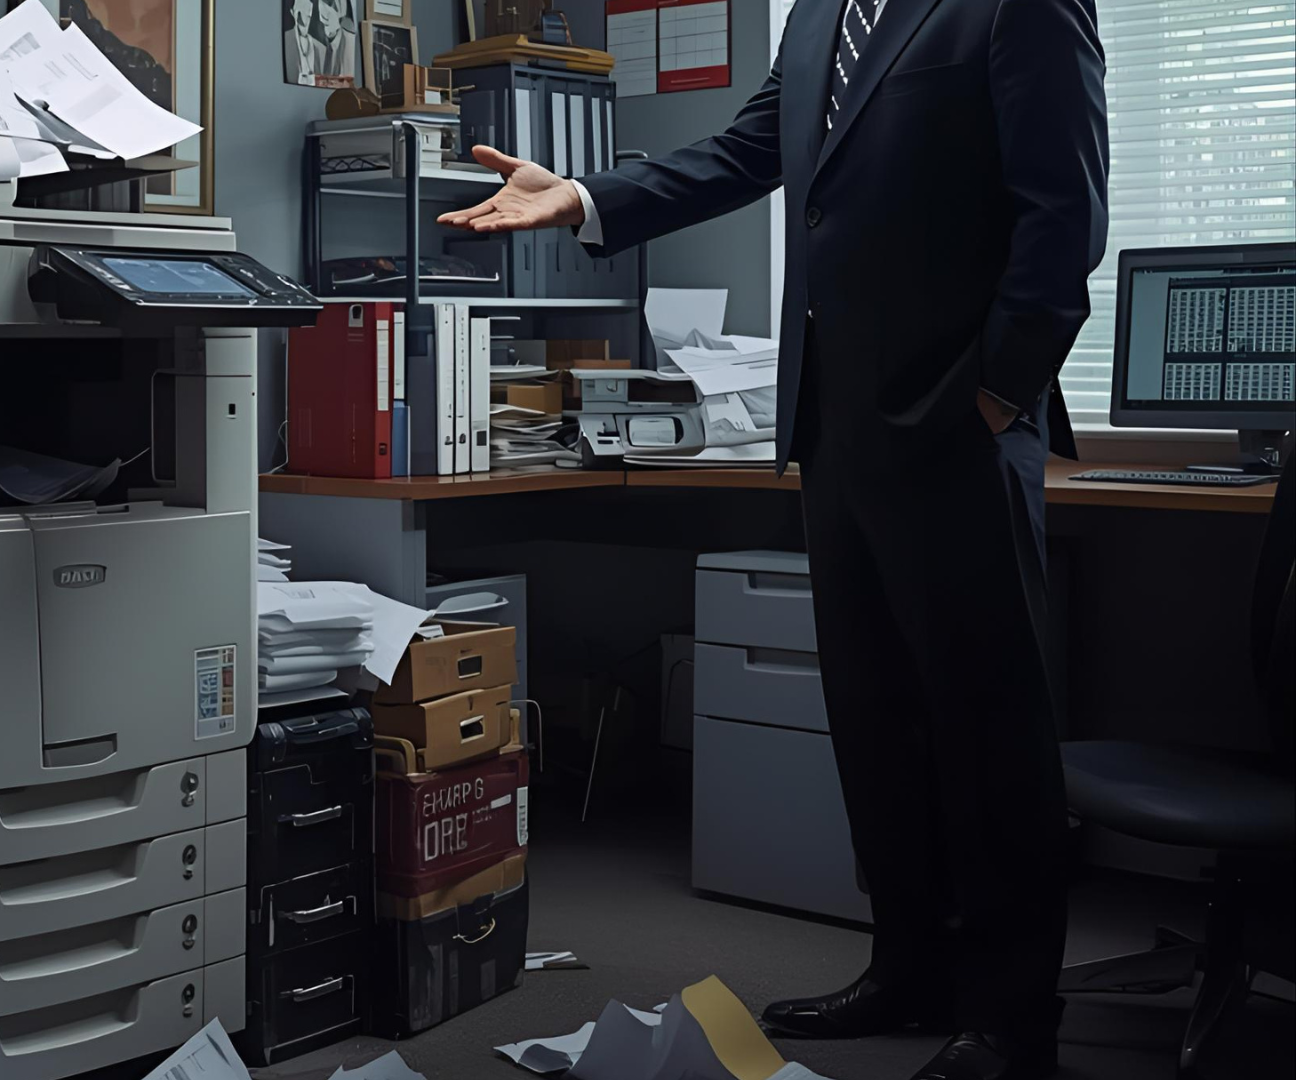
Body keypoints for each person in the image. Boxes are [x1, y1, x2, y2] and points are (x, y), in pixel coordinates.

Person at [439, 0, 1108, 1076]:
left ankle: (1011, 1020)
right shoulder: (819, 20)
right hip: (834, 426)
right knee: (876, 720)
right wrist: (582, 197)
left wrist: (996, 395)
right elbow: (748, 151)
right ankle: (910, 971)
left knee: (986, 734)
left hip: (955, 426)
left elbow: (1062, 212)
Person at [312, 0, 358, 84]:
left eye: (330, 4)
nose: (325, 12)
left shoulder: (351, 44)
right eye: (322, 2)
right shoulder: (313, 43)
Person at [284, 0, 317, 87]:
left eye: (308, 15)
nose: (304, 20)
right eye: (300, 13)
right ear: (292, 12)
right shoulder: (286, 39)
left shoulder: (319, 48)